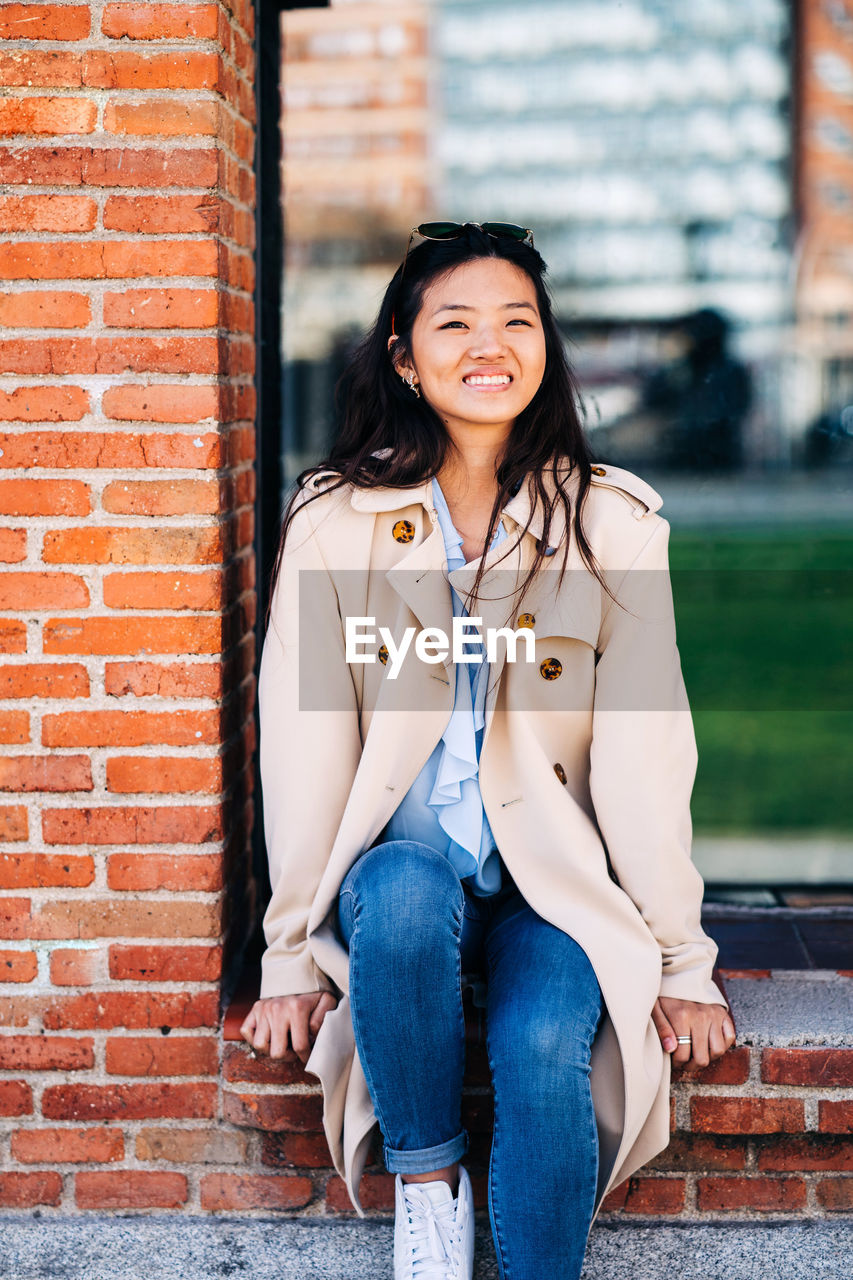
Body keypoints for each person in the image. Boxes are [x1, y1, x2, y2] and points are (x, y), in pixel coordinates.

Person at [240, 222, 736, 1280]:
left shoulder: (611, 523)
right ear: (401, 353)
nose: (489, 344)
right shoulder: (335, 521)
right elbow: (304, 743)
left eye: (517, 320)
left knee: (541, 1046)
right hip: (396, 880)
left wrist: (682, 960)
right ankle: (428, 1197)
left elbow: (646, 753)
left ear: (544, 347)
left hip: (548, 886)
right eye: (454, 322)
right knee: (410, 889)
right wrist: (287, 954)